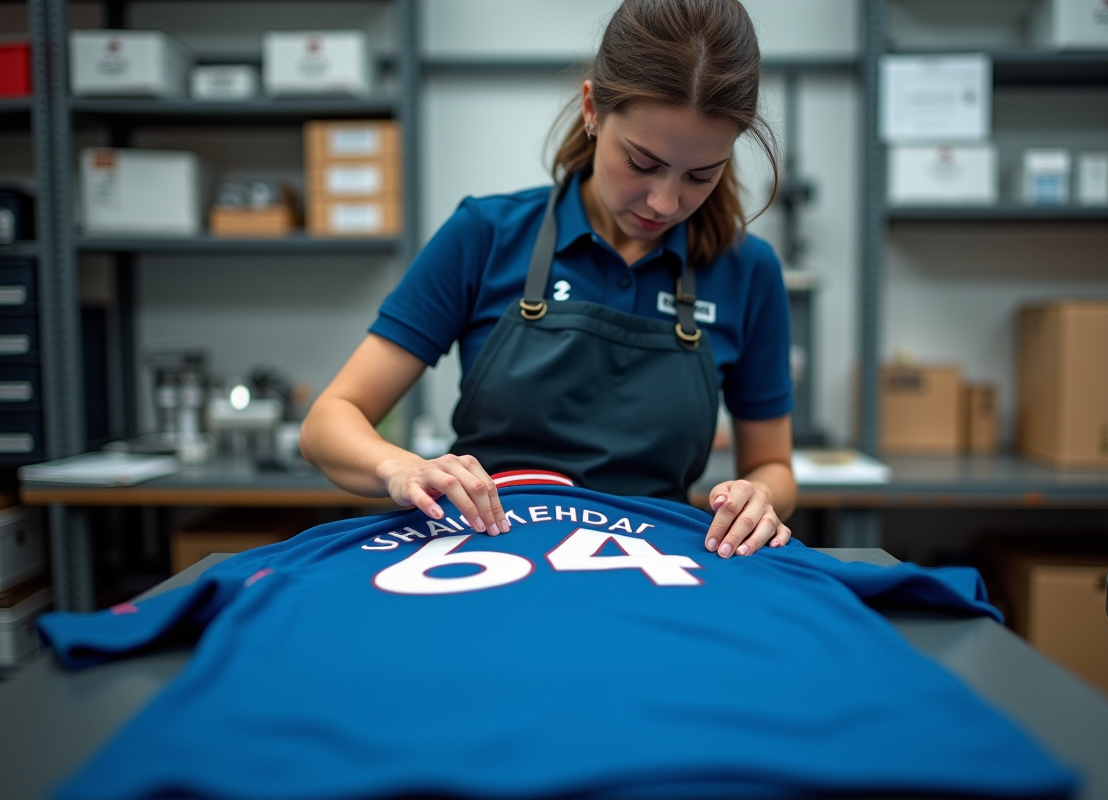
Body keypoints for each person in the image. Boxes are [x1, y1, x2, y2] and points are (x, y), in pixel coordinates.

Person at [301, 0, 796, 558]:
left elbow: (772, 463)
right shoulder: (485, 235)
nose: (664, 201)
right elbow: (328, 421)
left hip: (652, 567)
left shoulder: (748, 270)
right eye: (641, 163)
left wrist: (761, 495)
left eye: (701, 176)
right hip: (484, 554)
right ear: (592, 109)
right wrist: (400, 468)